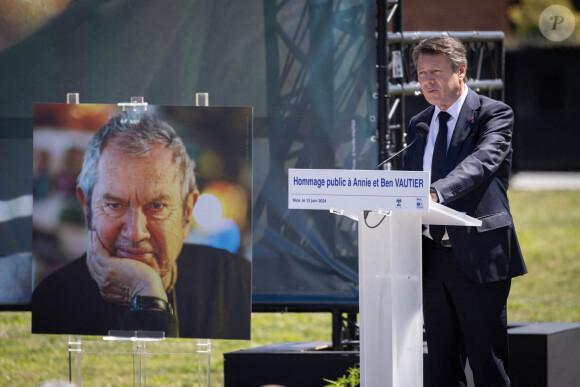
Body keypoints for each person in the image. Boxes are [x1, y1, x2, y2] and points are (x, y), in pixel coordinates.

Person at [32, 111, 251, 339]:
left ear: (187, 213)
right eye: (115, 205)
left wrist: (147, 294)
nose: (136, 233)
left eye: (157, 206)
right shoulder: (53, 300)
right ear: (87, 208)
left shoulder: (237, 282)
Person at [403, 36, 527, 386]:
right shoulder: (420, 124)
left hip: (477, 255)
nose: (427, 80)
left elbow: (481, 163)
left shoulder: (494, 114)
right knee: (442, 364)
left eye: (436, 72)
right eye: (422, 73)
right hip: (430, 258)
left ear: (461, 71)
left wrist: (436, 193)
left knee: (486, 363)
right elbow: (410, 181)